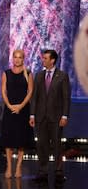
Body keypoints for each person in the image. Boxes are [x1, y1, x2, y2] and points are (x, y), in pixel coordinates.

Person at [29, 49, 70, 182]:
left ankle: (58, 172)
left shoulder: (62, 76)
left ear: (52, 60)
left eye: (45, 58)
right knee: (42, 145)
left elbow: (66, 98)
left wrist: (64, 116)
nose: (43, 60)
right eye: (43, 58)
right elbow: (34, 97)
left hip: (56, 117)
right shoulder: (39, 75)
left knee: (57, 145)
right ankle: (43, 171)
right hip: (41, 117)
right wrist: (32, 115)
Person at [0, 49, 34, 178]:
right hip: (10, 109)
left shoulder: (28, 73)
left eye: (20, 57)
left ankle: (18, 167)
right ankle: (9, 166)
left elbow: (30, 91)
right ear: (12, 58)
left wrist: (20, 106)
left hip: (23, 109)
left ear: (23, 58)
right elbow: (3, 90)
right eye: (15, 57)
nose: (17, 59)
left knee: (21, 139)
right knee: (8, 139)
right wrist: (9, 105)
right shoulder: (6, 73)